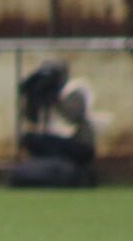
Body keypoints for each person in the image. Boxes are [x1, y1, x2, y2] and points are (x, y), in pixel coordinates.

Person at [12, 59, 97, 187]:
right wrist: (32, 99)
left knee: (45, 143)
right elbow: (32, 119)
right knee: (31, 139)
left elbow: (72, 116)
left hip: (78, 144)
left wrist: (55, 98)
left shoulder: (75, 89)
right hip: (57, 142)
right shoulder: (43, 93)